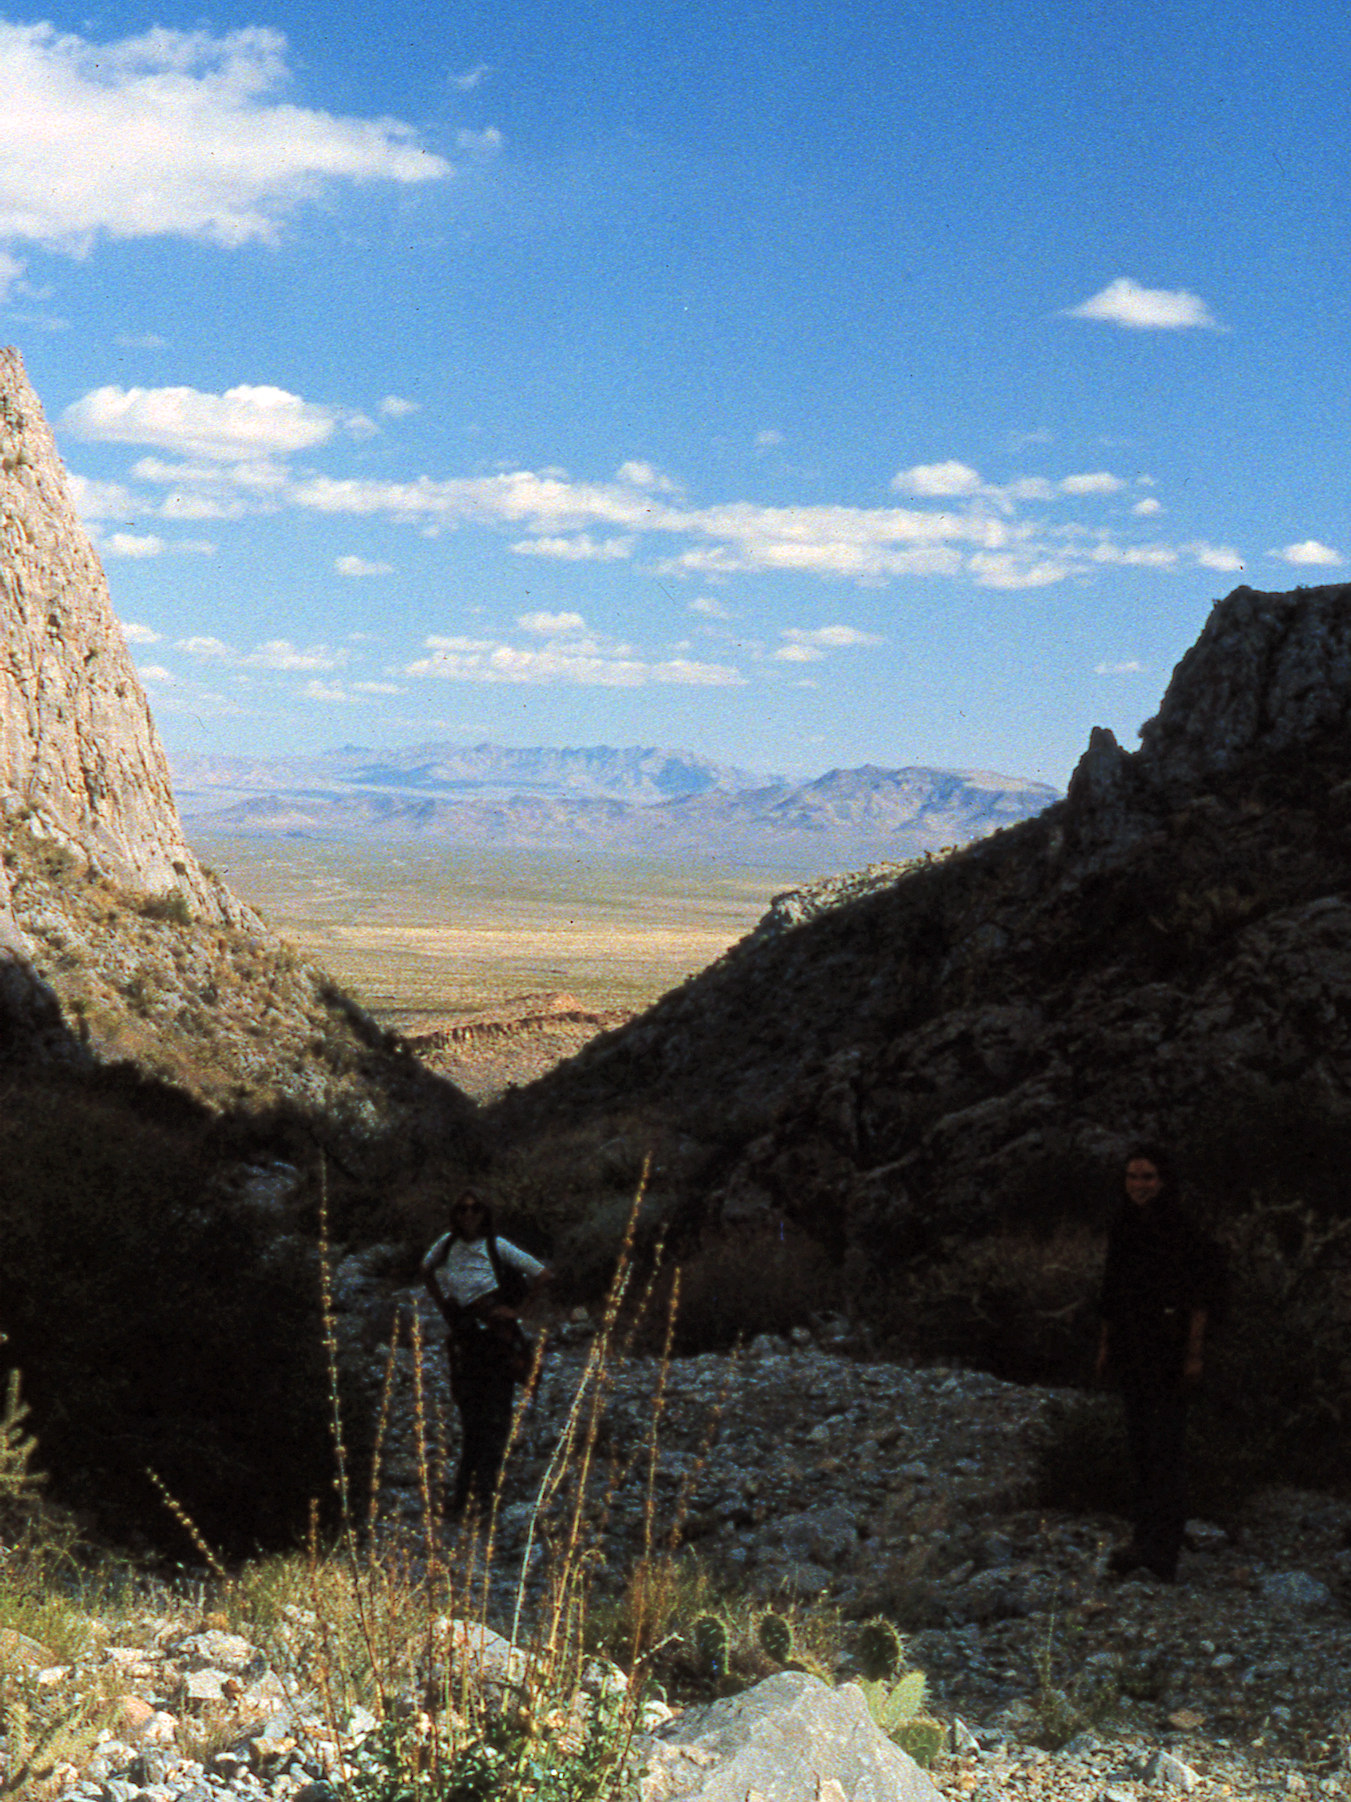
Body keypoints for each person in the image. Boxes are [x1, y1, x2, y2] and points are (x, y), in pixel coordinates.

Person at [1094, 1146, 1222, 1584]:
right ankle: (1141, 1540)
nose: (1139, 1185)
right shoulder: (1123, 1226)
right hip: (1132, 1347)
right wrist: (1106, 1345)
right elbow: (1111, 1291)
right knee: (1139, 1447)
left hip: (1166, 1351)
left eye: (1147, 1177)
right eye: (1132, 1177)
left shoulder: (1182, 1230)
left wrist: (1194, 1353)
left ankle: (1163, 1551)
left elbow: (1202, 1296)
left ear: (1163, 1181)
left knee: (1165, 1449)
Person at [421, 1191, 549, 1519]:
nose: (469, 1215)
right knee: (470, 1422)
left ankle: (484, 1501)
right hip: (467, 1341)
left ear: (483, 1213)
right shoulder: (446, 1245)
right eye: (462, 1209)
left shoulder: (497, 1246)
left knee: (496, 1420)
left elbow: (542, 1274)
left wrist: (516, 1313)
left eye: (475, 1209)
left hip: (496, 1341)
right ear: (455, 1214)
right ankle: (463, 1501)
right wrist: (443, 1305)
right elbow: (425, 1270)